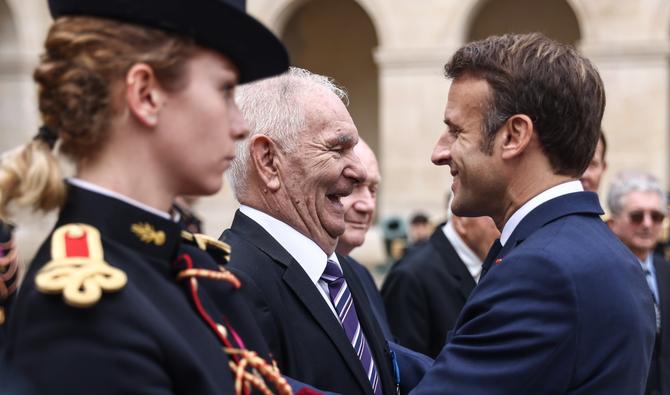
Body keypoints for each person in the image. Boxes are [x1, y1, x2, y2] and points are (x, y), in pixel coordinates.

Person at [0, 0, 317, 393]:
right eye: (224, 91)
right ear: (146, 94)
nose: (240, 126)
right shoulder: (83, 310)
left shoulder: (192, 265)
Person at [412, 32, 655, 394]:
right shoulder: (593, 251)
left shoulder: (542, 271)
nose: (439, 152)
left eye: (456, 131)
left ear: (514, 136)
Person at [222, 68, 397, 395]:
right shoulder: (230, 283)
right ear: (268, 161)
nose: (358, 170)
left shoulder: (343, 273)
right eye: (337, 148)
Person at [382, 201, 499, 358]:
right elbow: (407, 370)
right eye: (495, 213)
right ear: (462, 219)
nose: (504, 224)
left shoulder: (498, 263)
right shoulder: (410, 276)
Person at [607, 171, 670, 395]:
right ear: (613, 223)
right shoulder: (602, 274)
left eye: (656, 216)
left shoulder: (666, 271)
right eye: (636, 216)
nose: (647, 224)